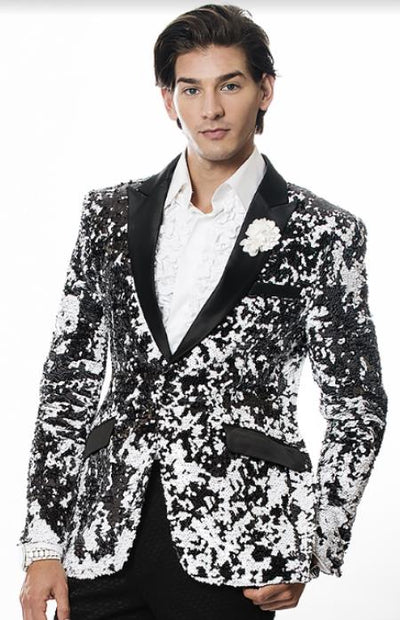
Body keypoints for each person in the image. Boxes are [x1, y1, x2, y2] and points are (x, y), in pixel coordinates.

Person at [18, 4, 388, 619]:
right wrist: (43, 542)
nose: (210, 109)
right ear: (169, 99)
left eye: (230, 86)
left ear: (265, 90)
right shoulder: (109, 214)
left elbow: (357, 404)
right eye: (191, 89)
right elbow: (67, 384)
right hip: (101, 540)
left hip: (241, 548)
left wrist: (314, 545)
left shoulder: (324, 232)